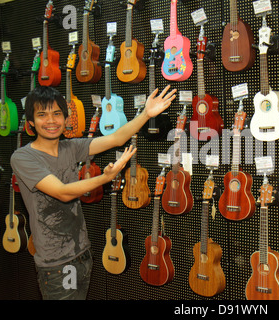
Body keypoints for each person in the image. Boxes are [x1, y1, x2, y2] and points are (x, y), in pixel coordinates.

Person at [10, 85, 176, 300]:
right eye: (42, 115)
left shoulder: (71, 147)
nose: (51, 121)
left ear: (65, 118)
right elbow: (62, 192)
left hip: (82, 254)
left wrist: (146, 113)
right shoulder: (23, 157)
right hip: (56, 263)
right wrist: (106, 178)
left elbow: (116, 139)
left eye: (57, 114)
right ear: (31, 122)